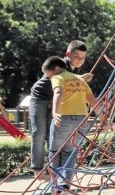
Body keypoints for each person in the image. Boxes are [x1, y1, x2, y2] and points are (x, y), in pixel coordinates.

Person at [29, 40, 92, 180]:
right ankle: (37, 169)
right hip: (39, 97)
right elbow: (59, 84)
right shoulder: (59, 65)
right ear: (68, 54)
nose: (80, 61)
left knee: (52, 135)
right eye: (77, 57)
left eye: (83, 58)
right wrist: (80, 79)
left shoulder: (75, 70)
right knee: (38, 132)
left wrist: (80, 79)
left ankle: (55, 171)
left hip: (55, 101)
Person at [42, 56, 101, 195]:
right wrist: (103, 115)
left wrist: (55, 111)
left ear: (56, 69)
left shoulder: (59, 77)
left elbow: (58, 92)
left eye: (49, 75)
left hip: (64, 118)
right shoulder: (80, 80)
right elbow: (93, 101)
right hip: (81, 120)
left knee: (55, 152)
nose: (50, 78)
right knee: (70, 152)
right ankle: (65, 184)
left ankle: (56, 185)